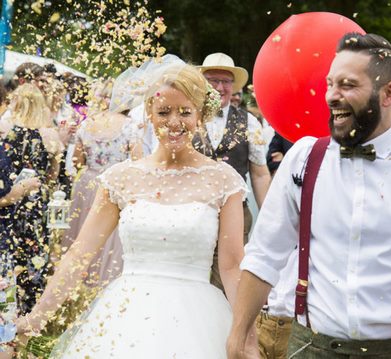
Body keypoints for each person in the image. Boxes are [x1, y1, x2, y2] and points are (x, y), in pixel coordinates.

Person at [227, 33, 391, 358]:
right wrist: (240, 336)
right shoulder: (305, 158)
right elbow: (265, 253)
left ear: (389, 93)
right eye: (329, 84)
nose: (331, 96)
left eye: (348, 85)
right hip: (309, 348)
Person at [14, 58, 256, 358]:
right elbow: (80, 254)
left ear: (200, 116)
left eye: (185, 112)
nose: (174, 122)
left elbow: (232, 267)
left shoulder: (223, 181)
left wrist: (247, 337)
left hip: (197, 319)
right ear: (149, 116)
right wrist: (36, 318)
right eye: (164, 112)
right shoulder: (121, 178)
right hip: (125, 315)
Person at [193, 52, 271, 291]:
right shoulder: (186, 116)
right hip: (191, 212)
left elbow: (259, 173)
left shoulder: (249, 122)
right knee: (192, 279)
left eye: (226, 81)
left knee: (230, 282)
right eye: (213, 80)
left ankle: (227, 327)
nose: (220, 87)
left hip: (236, 214)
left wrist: (270, 217)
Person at [62, 78, 143, 287]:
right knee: (110, 234)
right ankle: (105, 281)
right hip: (117, 185)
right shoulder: (130, 127)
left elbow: (77, 161)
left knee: (83, 232)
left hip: (88, 183)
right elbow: (138, 162)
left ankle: (78, 283)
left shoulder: (87, 124)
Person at [1, 83, 63, 315]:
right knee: (36, 250)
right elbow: (54, 174)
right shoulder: (50, 135)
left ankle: (8, 304)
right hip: (37, 202)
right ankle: (30, 307)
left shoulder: (7, 130)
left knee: (10, 251)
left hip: (10, 200)